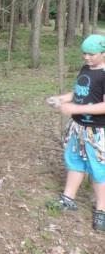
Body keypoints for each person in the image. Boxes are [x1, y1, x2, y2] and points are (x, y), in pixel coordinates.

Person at [46, 34, 105, 231]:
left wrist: (75, 109)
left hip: (97, 131)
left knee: (99, 170)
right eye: (84, 54)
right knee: (75, 162)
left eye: (92, 54)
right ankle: (68, 198)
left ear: (103, 53)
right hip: (78, 129)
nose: (87, 57)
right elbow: (79, 92)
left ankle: (101, 210)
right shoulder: (86, 68)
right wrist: (62, 99)